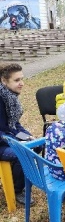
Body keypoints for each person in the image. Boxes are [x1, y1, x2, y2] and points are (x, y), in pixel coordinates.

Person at [0, 63, 34, 204]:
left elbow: (14, 124)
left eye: (22, 79)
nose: (21, 83)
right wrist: (16, 141)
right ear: (3, 80)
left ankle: (25, 180)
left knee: (35, 145)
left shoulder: (9, 97)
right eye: (17, 80)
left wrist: (27, 136)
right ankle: (17, 190)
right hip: (1, 142)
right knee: (22, 153)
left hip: (6, 137)